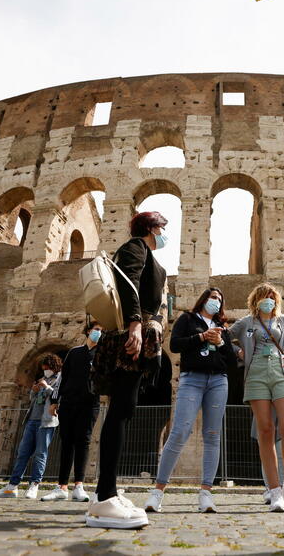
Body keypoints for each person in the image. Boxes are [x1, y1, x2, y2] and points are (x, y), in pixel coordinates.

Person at [85, 211, 168, 529]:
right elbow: (126, 284)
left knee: (124, 408)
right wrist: (135, 325)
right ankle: (105, 497)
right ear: (151, 227)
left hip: (140, 331)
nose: (164, 233)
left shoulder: (148, 254)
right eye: (162, 227)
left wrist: (155, 324)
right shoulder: (135, 247)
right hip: (127, 333)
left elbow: (159, 301)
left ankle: (105, 493)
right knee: (120, 410)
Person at [145, 288, 232, 514]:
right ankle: (158, 491)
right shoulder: (187, 319)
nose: (216, 301)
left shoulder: (223, 326)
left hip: (218, 381)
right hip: (192, 378)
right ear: (203, 299)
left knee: (212, 435)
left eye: (219, 299)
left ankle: (206, 493)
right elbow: (175, 345)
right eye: (213, 297)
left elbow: (231, 359)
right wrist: (202, 337)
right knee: (180, 432)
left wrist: (221, 342)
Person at [228, 283, 284, 513]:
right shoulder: (246, 322)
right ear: (255, 300)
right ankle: (275, 491)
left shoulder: (283, 321)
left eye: (271, 297)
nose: (268, 300)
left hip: (281, 371)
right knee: (265, 429)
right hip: (255, 373)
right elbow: (226, 338)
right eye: (264, 297)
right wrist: (238, 352)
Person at [40, 321, 101, 502]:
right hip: (69, 402)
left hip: (90, 403)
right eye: (97, 330)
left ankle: (79, 486)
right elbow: (62, 379)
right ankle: (62, 486)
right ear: (88, 331)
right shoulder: (74, 352)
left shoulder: (102, 354)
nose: (99, 334)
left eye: (102, 332)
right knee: (67, 442)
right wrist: (54, 400)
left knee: (83, 441)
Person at [0, 353, 62, 499]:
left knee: (40, 453)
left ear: (54, 366)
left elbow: (58, 396)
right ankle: (12, 486)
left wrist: (47, 387)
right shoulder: (42, 378)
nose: (45, 370)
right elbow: (33, 398)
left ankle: (34, 485)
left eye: (48, 367)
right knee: (22, 452)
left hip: (46, 421)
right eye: (44, 368)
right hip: (32, 419)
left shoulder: (60, 378)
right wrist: (34, 390)